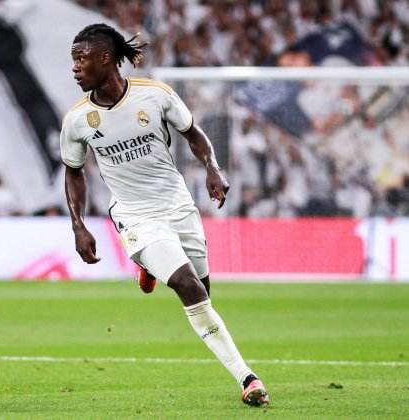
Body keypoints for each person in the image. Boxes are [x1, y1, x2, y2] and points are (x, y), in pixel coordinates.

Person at [60, 23, 269, 407]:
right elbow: (73, 172)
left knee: (204, 293)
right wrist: (78, 225)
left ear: (106, 59)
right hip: (136, 216)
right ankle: (248, 378)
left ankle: (152, 268)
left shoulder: (154, 95)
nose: (74, 68)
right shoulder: (76, 120)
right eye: (73, 60)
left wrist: (212, 168)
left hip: (178, 206)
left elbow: (193, 132)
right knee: (189, 287)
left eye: (81, 59)